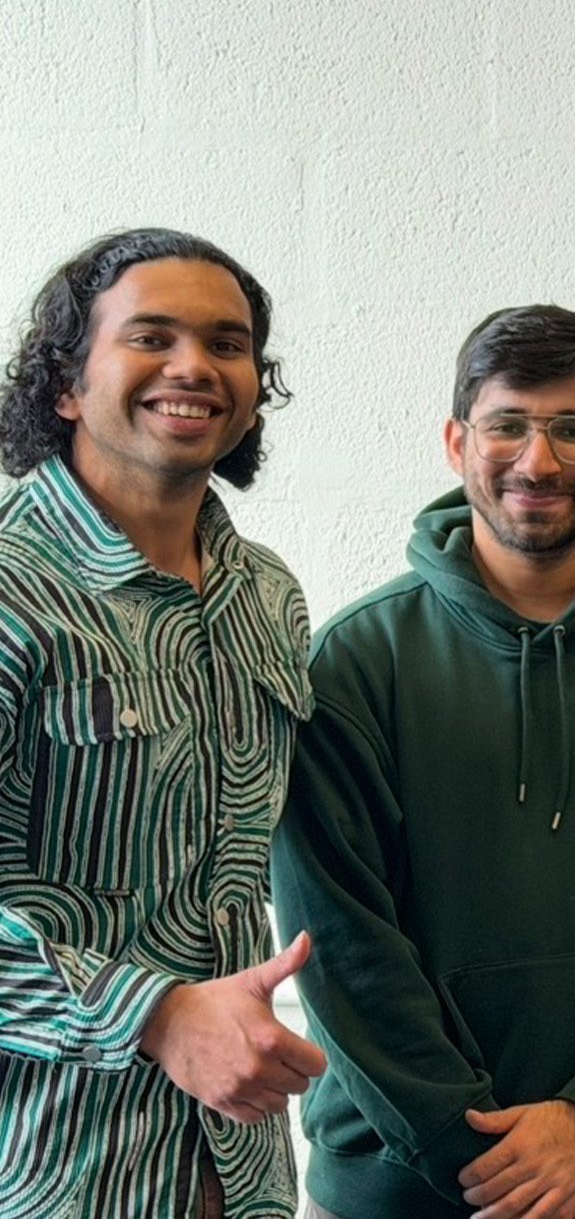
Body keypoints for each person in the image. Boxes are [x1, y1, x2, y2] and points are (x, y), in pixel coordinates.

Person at [271, 306, 575, 1219]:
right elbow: (341, 946)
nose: (537, 461)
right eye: (508, 424)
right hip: (396, 1184)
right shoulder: (355, 661)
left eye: (573, 429)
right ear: (459, 441)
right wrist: (490, 1165)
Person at [0, 229, 321, 1218]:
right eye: (152, 336)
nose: (195, 366)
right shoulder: (13, 591)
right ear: (64, 383)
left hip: (239, 1172)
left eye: (227, 344)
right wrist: (154, 1015)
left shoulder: (267, 594)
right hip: (49, 1171)